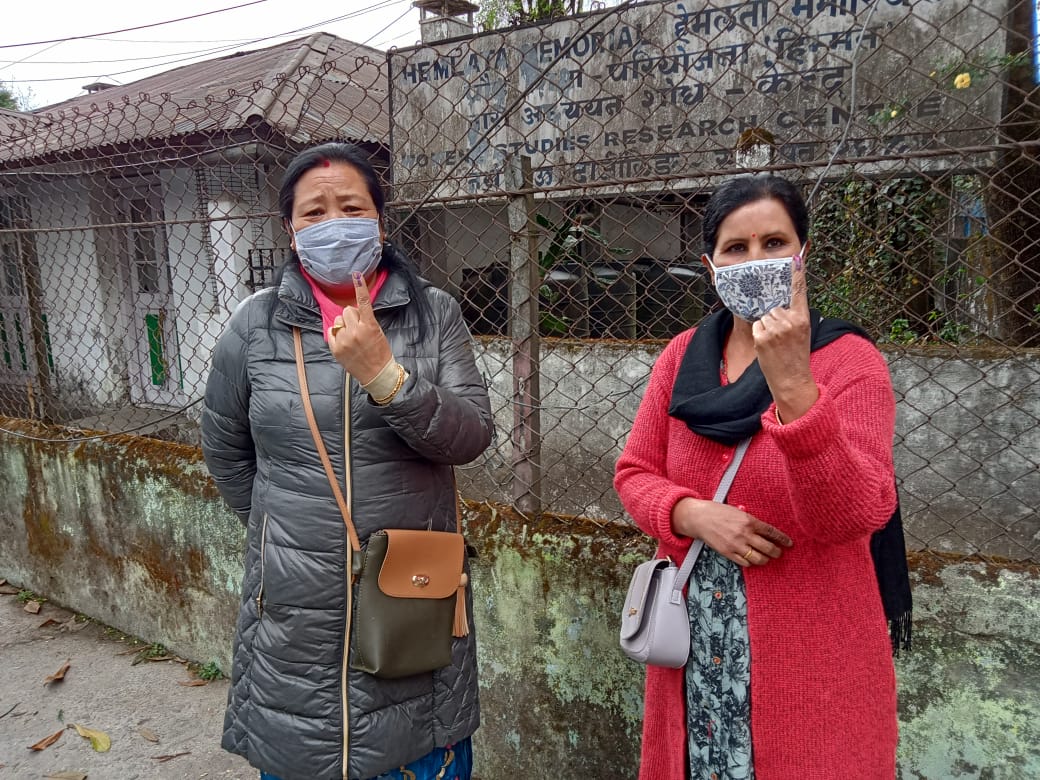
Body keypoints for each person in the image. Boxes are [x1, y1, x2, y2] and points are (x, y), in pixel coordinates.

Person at [201, 141, 494, 780]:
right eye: (314, 212)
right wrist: (289, 534)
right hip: (291, 614)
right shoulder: (254, 326)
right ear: (290, 229)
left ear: (380, 222)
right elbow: (225, 450)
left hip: (410, 599)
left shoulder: (432, 315)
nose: (334, 224)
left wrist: (386, 377)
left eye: (351, 207)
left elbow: (470, 437)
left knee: (414, 751)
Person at [614, 174, 906, 779]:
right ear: (710, 264)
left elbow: (855, 514)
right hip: (695, 649)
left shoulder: (851, 362)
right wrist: (691, 514)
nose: (756, 261)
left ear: (802, 256)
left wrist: (795, 387)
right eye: (736, 249)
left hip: (810, 656)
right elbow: (635, 473)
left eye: (774, 243)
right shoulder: (682, 357)